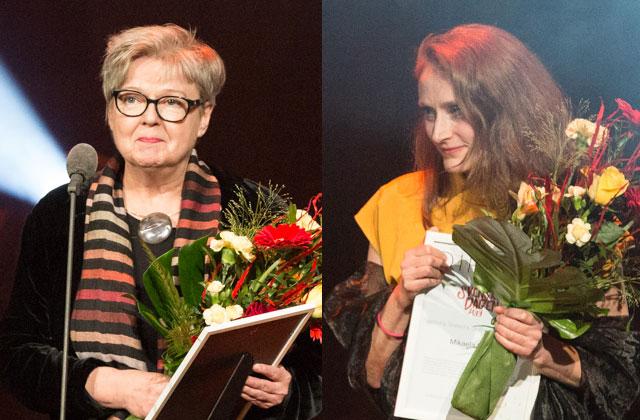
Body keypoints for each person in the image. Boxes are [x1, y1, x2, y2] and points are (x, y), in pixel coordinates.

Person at [0, 24, 320, 419]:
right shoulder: (63, 212)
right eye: (131, 99)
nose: (149, 118)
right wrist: (107, 384)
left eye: (171, 102)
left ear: (203, 116)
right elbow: (17, 356)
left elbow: (315, 372)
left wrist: (286, 391)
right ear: (110, 111)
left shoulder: (257, 210)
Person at [326, 24, 640, 419]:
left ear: (504, 108)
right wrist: (401, 298)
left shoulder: (567, 210)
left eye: (456, 110)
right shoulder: (397, 202)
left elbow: (619, 379)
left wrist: (541, 353)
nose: (439, 133)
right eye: (429, 112)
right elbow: (370, 376)